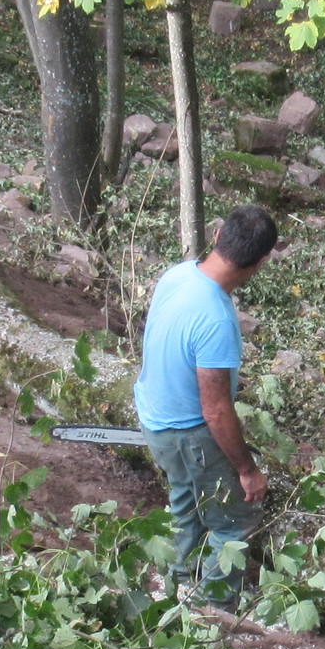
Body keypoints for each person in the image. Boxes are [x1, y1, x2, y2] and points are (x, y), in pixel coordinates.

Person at [135, 204, 279, 601]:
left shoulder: (178, 274)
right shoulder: (216, 319)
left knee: (186, 503)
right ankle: (213, 608)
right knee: (235, 522)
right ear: (261, 262)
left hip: (154, 416)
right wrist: (247, 470)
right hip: (188, 433)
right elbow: (215, 409)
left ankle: (173, 585)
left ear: (217, 235)